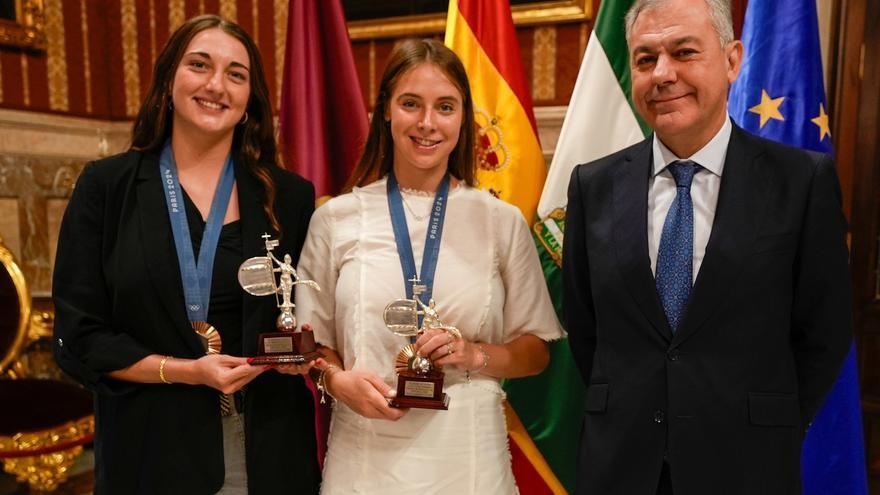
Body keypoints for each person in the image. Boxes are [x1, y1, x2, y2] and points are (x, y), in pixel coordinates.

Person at [562, 0, 853, 494]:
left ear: (733, 59)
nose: (663, 74)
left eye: (684, 52)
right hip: (620, 467)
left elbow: (823, 333)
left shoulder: (801, 182)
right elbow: (586, 328)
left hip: (748, 466)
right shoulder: (593, 186)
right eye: (645, 59)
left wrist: (762, 422)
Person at [52, 15, 319, 495]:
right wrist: (186, 372)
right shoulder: (106, 187)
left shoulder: (289, 197)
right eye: (200, 65)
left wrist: (306, 354)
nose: (216, 85)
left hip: (268, 454)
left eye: (236, 74)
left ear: (249, 100)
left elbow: (308, 317)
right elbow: (80, 335)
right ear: (169, 78)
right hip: (149, 452)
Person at [295, 38, 562, 494]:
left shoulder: (501, 221)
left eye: (445, 107)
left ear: (463, 117)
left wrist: (475, 355)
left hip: (469, 458)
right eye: (410, 104)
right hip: (363, 457)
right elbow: (309, 345)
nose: (426, 123)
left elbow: (536, 353)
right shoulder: (334, 219)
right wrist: (336, 382)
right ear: (385, 111)